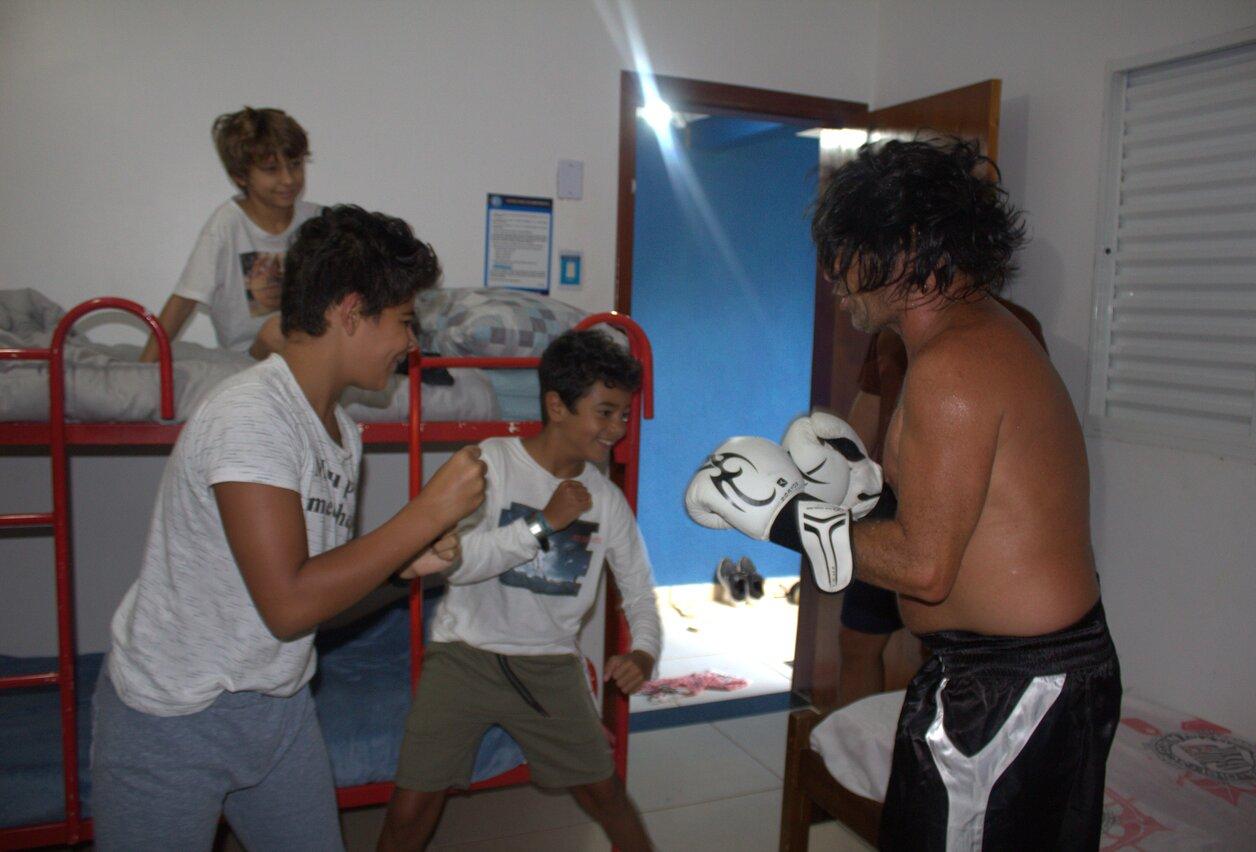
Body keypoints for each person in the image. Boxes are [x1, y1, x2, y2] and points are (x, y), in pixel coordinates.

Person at [686, 137, 1120, 849]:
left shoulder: (954, 365)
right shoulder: (978, 336)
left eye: (845, 249)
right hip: (1016, 672)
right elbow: (963, 521)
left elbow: (924, 567)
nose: (832, 273)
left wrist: (780, 516)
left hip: (1010, 685)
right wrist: (859, 496)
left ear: (906, 247)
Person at [93, 205, 487, 851]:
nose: (412, 344)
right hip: (173, 718)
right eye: (404, 321)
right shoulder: (251, 417)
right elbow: (288, 603)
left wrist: (399, 570)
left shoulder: (340, 433)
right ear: (351, 312)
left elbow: (317, 601)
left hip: (279, 708)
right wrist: (426, 512)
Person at [378, 329, 661, 852]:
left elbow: (640, 592)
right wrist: (543, 524)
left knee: (607, 795)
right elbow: (457, 566)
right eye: (605, 412)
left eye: (624, 414)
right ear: (556, 406)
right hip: (464, 657)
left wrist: (643, 651)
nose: (618, 428)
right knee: (410, 810)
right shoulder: (490, 463)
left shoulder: (607, 501)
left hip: (549, 666)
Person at [838, 300, 1047, 707]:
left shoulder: (1012, 326)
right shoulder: (888, 325)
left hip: (966, 507)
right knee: (857, 641)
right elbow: (866, 414)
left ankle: (929, 737)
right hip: (888, 501)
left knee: (941, 651)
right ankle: (849, 741)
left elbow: (1029, 430)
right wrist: (829, 472)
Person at [140, 106, 320, 362]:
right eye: (272, 169)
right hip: (248, 359)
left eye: (295, 164)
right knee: (277, 332)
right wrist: (144, 369)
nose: (288, 179)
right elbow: (183, 302)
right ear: (240, 176)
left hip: (310, 355)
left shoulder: (318, 221)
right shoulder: (227, 225)